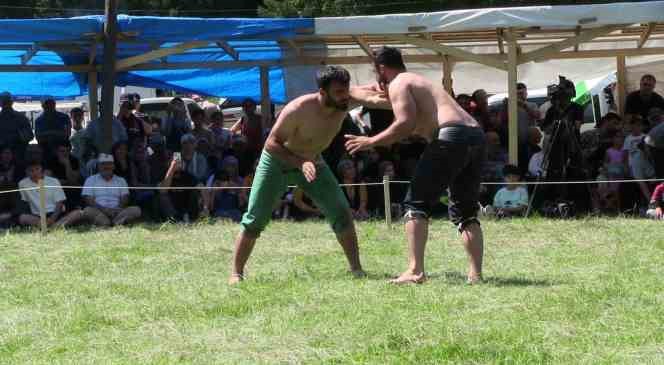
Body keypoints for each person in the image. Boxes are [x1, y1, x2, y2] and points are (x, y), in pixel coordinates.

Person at [228, 65, 388, 285]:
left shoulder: (345, 99)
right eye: (339, 92)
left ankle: (356, 269)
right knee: (255, 219)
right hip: (277, 161)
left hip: (313, 161)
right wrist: (300, 162)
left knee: (341, 212)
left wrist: (390, 90)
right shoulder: (298, 109)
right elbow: (272, 143)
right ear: (322, 93)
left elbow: (373, 94)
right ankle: (236, 273)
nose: (345, 97)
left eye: (346, 90)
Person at [345, 46, 486, 284]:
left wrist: (371, 141)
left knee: (415, 203)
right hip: (476, 136)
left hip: (450, 137)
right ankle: (476, 275)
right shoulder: (416, 81)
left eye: (376, 73)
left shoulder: (400, 83)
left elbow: (405, 123)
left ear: (381, 68)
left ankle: (415, 271)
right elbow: (370, 93)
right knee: (465, 211)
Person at [18, 160, 83, 228]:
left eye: (37, 169)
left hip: (56, 213)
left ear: (42, 169)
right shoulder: (22, 183)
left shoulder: (53, 181)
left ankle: (52, 226)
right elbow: (25, 202)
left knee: (78, 213)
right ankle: (54, 227)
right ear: (26, 172)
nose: (35, 172)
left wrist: (52, 219)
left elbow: (59, 203)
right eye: (31, 170)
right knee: (23, 217)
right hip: (38, 216)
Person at [81, 153, 142, 227]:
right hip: (98, 211)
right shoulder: (90, 180)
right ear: (98, 166)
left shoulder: (121, 180)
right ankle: (113, 223)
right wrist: (104, 210)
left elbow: (125, 197)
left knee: (136, 210)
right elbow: (89, 200)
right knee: (87, 210)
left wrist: (117, 209)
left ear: (114, 166)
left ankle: (113, 222)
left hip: (117, 212)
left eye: (109, 164)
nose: (106, 166)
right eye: (103, 164)